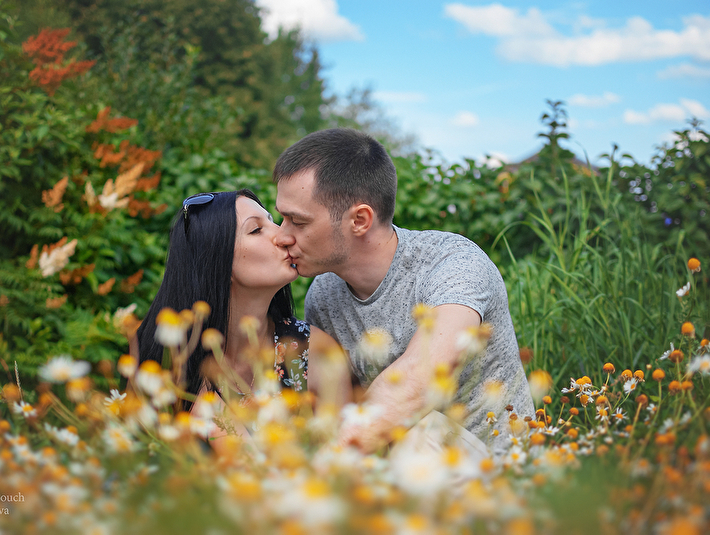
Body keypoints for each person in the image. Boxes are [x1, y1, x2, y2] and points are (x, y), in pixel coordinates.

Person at [272, 128, 535, 455]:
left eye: (297, 222)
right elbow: (340, 409)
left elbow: (418, 382)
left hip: (502, 470)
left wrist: (321, 472)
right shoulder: (324, 295)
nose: (281, 236)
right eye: (282, 218)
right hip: (397, 473)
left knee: (420, 429)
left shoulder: (453, 263)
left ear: (360, 220)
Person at [136, 189, 346, 423]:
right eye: (256, 230)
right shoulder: (168, 362)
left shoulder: (313, 352)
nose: (283, 236)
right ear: (219, 261)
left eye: (272, 222)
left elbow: (349, 442)